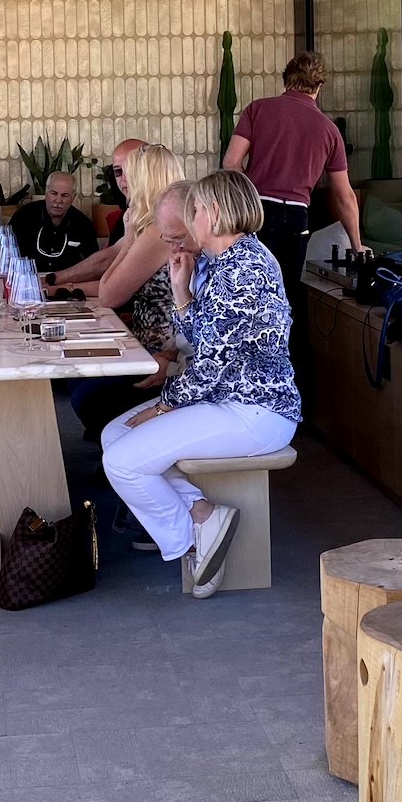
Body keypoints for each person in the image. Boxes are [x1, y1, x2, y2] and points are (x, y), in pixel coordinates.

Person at [100, 169, 300, 598]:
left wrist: (163, 406)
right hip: (226, 401)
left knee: (122, 461)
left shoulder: (243, 269)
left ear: (213, 213)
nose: (188, 221)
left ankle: (191, 542)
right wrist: (181, 293)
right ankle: (203, 514)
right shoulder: (224, 261)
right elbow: (205, 339)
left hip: (255, 411)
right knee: (113, 434)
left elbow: (211, 363)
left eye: (194, 209)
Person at [66, 143, 189, 440]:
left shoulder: (156, 233)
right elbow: (110, 262)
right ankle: (109, 439)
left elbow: (109, 294)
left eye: (130, 175)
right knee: (77, 374)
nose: (124, 182)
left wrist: (131, 236)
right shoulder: (150, 224)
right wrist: (60, 283)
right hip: (147, 343)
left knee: (88, 394)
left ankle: (114, 445)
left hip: (162, 353)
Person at [223, 50, 364, 299]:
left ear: (286, 79)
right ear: (319, 86)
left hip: (258, 211)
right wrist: (356, 246)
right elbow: (345, 197)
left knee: (250, 291)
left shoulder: (257, 110)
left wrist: (248, 201)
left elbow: (231, 163)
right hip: (297, 217)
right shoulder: (329, 131)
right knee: (284, 296)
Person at [51, 138, 146, 291]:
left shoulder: (161, 215)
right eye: (118, 172)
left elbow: (110, 276)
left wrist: (54, 285)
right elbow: (113, 253)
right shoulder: (132, 212)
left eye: (132, 169)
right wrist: (53, 281)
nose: (124, 180)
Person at [14, 170, 99, 279]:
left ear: (73, 197)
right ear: (46, 192)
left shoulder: (83, 224)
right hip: (27, 282)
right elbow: (7, 255)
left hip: (68, 285)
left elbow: (92, 266)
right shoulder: (24, 216)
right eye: (53, 193)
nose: (58, 200)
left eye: (65, 195)